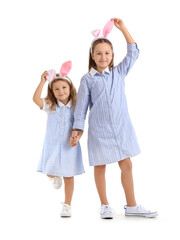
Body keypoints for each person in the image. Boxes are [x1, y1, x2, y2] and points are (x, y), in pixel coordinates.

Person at [70, 19, 158, 219]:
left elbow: (134, 52)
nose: (103, 57)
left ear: (112, 55)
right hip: (99, 130)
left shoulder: (118, 72)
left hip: (121, 128)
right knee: (100, 166)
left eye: (107, 53)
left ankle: (132, 205)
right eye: (99, 53)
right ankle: (104, 205)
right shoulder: (87, 79)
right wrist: (77, 131)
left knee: (126, 164)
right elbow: (81, 108)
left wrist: (123, 28)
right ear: (92, 55)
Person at [33, 61, 84, 217]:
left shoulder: (76, 105)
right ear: (52, 92)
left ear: (70, 88)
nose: (61, 91)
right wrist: (42, 81)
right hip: (53, 145)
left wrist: (77, 137)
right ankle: (54, 177)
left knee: (69, 176)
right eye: (56, 89)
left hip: (69, 146)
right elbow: (36, 100)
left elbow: (80, 126)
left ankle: (67, 205)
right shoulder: (50, 105)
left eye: (64, 87)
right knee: (48, 169)